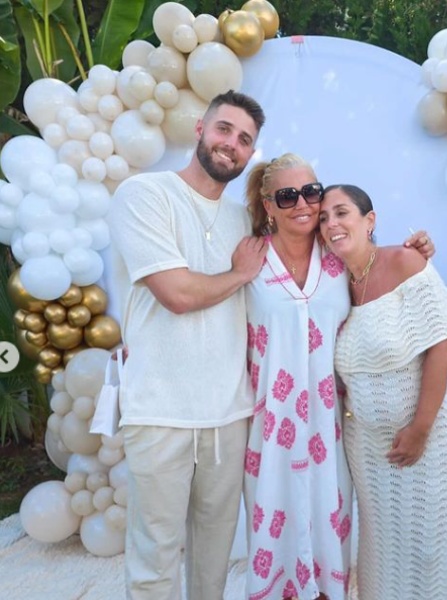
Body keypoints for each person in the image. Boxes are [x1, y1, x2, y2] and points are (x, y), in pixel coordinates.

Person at [242, 156, 435, 600]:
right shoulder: (249, 258)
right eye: (288, 196)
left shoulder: (336, 258)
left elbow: (382, 277)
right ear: (268, 205)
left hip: (329, 426)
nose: (303, 204)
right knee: (274, 526)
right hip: (269, 427)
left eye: (311, 192)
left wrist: (416, 253)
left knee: (329, 529)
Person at [109, 90, 267, 600]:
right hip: (160, 412)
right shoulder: (145, 194)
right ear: (200, 127)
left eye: (245, 140)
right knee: (155, 558)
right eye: (225, 129)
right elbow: (176, 294)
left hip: (228, 413)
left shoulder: (243, 221)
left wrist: (403, 253)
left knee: (214, 560)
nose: (231, 145)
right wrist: (238, 274)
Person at [318, 184, 447, 600]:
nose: (331, 223)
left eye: (342, 212)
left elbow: (443, 344)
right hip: (368, 449)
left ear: (370, 221)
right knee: (379, 553)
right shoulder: (331, 283)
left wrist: (420, 429)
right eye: (324, 217)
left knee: (425, 553)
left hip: (430, 438)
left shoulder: (405, 261)